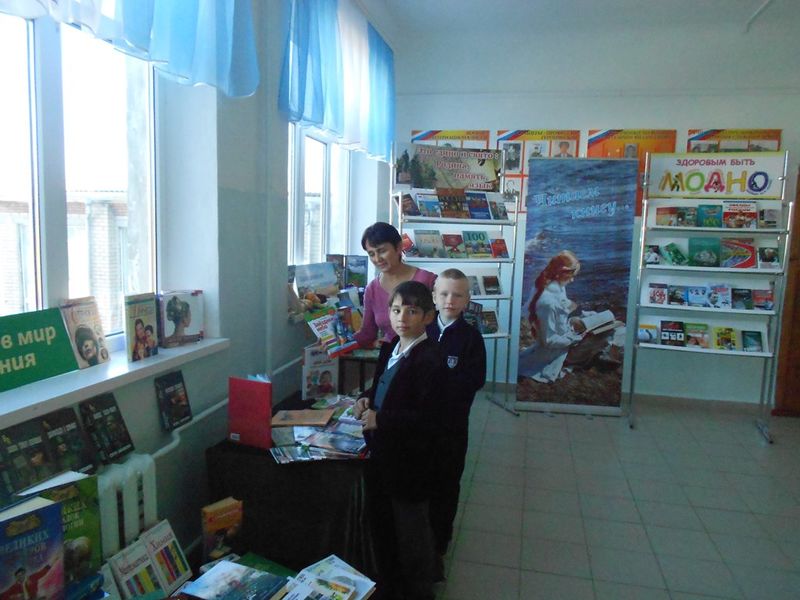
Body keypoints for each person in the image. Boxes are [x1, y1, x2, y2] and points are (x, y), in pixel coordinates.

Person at [353, 281, 446, 600]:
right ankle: (391, 582)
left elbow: (429, 418)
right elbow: (382, 385)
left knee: (411, 530)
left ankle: (420, 590)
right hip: (383, 454)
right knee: (385, 524)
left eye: (412, 311)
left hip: (410, 462)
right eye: (395, 310)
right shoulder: (390, 346)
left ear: (428, 317)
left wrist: (381, 419)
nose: (402, 318)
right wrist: (366, 399)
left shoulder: (430, 359)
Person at [425, 269, 486, 579]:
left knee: (447, 484)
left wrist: (439, 388)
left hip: (451, 429)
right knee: (421, 481)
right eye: (444, 294)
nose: (450, 300)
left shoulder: (471, 338)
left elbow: (475, 380)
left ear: (467, 300)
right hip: (418, 428)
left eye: (458, 295)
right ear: (434, 297)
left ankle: (439, 544)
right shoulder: (420, 330)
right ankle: (418, 539)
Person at [354, 222, 436, 348]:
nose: (377, 259)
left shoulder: (427, 280)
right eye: (371, 254)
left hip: (426, 354)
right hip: (391, 354)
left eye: (382, 251)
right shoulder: (372, 289)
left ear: (398, 247)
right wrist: (336, 343)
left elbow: (445, 323)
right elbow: (367, 333)